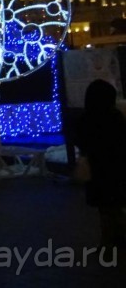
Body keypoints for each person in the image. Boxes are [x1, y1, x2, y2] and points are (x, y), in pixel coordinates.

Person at [77, 79, 126, 247]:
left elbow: (81, 140)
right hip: (115, 166)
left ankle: (108, 239)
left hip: (96, 168)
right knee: (115, 204)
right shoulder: (115, 116)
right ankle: (117, 236)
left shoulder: (86, 118)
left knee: (104, 207)